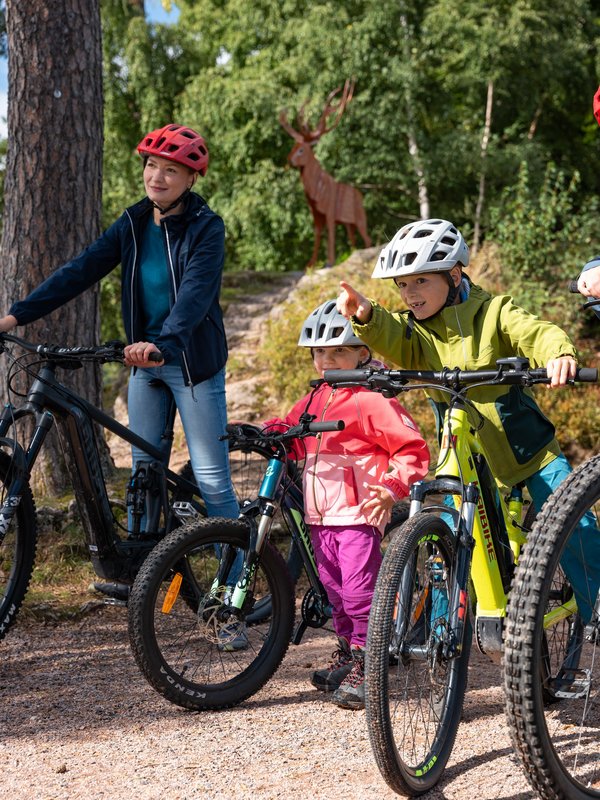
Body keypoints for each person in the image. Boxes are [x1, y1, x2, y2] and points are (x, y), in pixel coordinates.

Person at [0, 123, 240, 604]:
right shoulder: (132, 222)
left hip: (190, 363)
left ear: (192, 179)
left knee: (212, 479)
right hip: (143, 363)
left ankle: (233, 592)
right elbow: (81, 270)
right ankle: (140, 576)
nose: (157, 176)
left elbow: (194, 296)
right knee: (143, 472)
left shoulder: (206, 227)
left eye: (172, 170)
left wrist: (161, 343)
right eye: (152, 165)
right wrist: (15, 316)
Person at [337, 217, 600, 624]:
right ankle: (436, 639)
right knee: (443, 541)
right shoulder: (416, 332)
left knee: (575, 527)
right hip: (463, 463)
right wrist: (367, 314)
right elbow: (395, 338)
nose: (410, 294)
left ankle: (596, 614)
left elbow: (536, 332)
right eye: (402, 285)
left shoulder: (495, 312)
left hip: (526, 453)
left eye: (420, 281)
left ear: (454, 273)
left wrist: (560, 354)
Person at [263, 300, 430, 709]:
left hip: (358, 512)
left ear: (363, 352)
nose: (327, 361)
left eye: (338, 351)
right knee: (335, 590)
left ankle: (370, 665)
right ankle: (350, 652)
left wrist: (392, 487)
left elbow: (412, 449)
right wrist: (263, 434)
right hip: (320, 515)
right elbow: (290, 431)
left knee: (359, 591)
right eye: (320, 353)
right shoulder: (317, 397)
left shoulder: (372, 400)